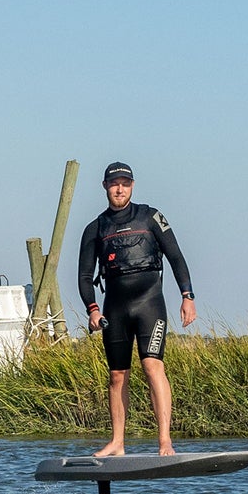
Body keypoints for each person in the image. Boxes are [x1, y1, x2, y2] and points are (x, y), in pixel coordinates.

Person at [76, 162, 196, 457]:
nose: (120, 188)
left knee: (152, 365)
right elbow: (83, 276)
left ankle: (165, 441)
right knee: (117, 375)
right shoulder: (95, 228)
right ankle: (117, 442)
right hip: (114, 308)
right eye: (114, 183)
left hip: (149, 303)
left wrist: (187, 296)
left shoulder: (151, 217)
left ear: (132, 185)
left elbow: (176, 257)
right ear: (105, 186)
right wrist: (92, 310)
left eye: (125, 183)